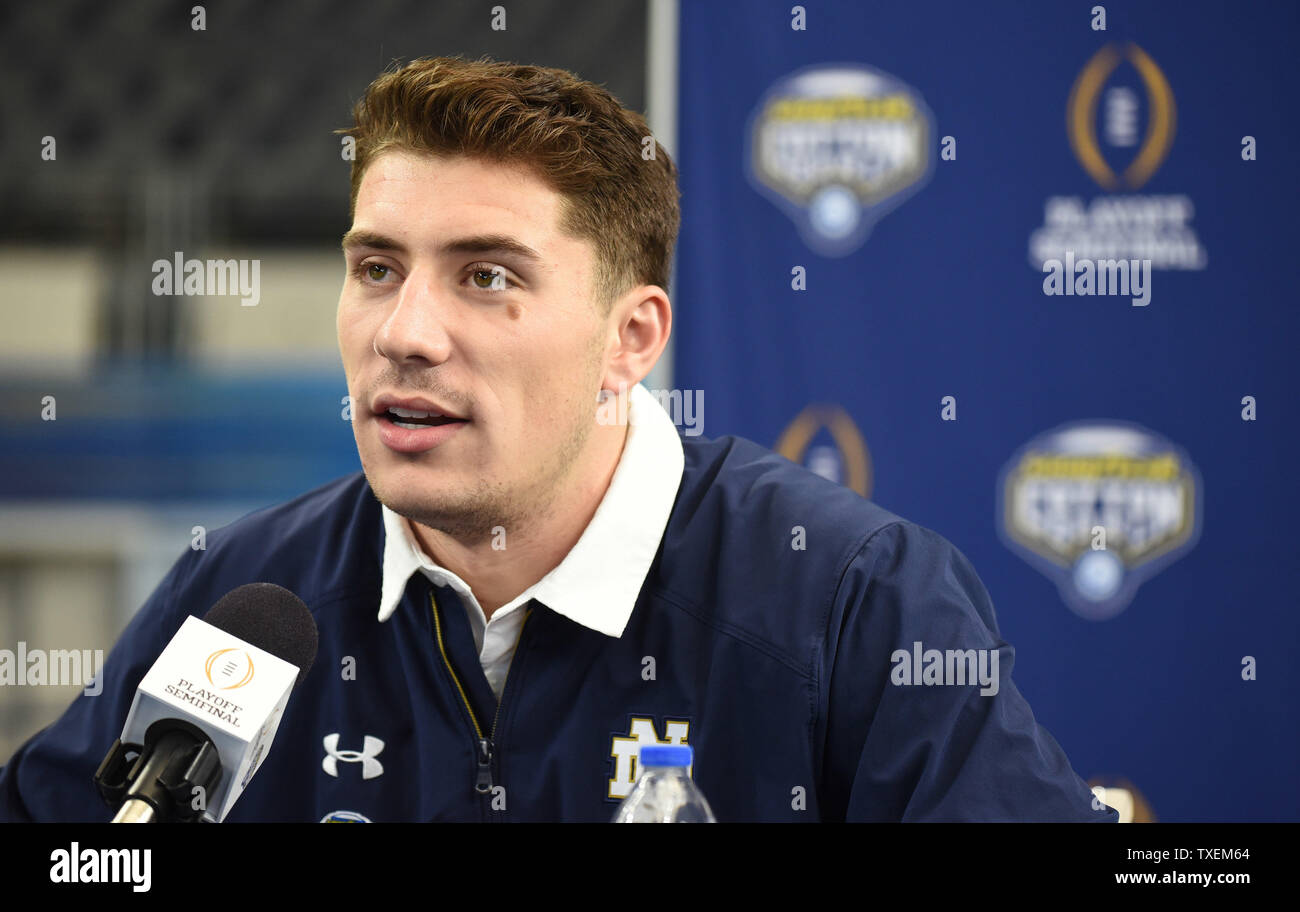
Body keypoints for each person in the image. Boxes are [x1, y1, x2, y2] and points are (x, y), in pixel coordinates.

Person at [0, 56, 1117, 822]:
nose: (405, 333)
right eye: (376, 268)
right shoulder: (243, 595)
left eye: (486, 277)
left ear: (629, 338)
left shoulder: (849, 601)